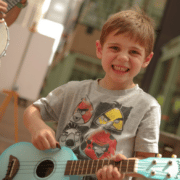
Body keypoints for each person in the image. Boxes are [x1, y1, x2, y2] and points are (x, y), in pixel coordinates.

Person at [23, 6, 161, 180]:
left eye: (134, 52)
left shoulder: (148, 107)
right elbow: (32, 111)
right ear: (99, 49)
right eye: (115, 48)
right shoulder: (74, 90)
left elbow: (147, 163)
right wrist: (38, 127)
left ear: (146, 59)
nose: (123, 57)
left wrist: (120, 173)